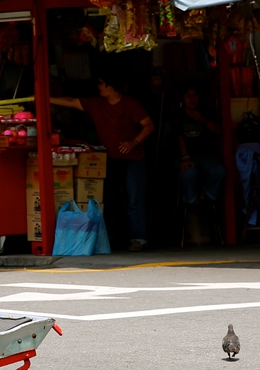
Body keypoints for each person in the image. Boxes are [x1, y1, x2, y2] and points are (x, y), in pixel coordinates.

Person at [51, 77, 155, 251]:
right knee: (110, 199)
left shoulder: (130, 104)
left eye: (101, 83)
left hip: (134, 158)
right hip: (110, 158)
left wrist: (133, 142)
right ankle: (114, 239)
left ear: (111, 85)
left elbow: (149, 125)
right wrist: (44, 98)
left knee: (134, 199)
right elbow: (70, 102)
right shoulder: (96, 104)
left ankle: (139, 238)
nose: (98, 87)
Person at [177, 87, 225, 206]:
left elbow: (219, 131)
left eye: (195, 95)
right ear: (183, 98)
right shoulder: (178, 115)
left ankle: (206, 194)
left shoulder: (206, 112)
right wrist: (185, 157)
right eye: (188, 95)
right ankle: (191, 201)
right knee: (188, 173)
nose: (192, 98)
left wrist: (203, 119)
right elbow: (179, 137)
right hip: (186, 156)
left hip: (206, 154)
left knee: (219, 170)